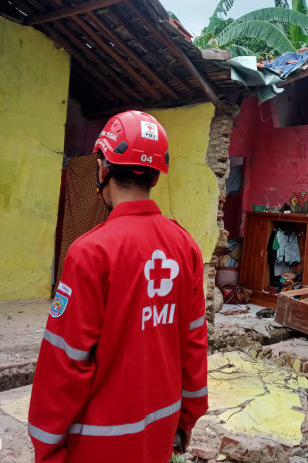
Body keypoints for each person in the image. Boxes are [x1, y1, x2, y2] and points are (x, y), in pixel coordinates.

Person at [27, 111, 208, 462]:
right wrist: (186, 420)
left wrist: (47, 447)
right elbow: (194, 344)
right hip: (159, 437)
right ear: (155, 176)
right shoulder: (186, 248)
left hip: (96, 446)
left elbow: (64, 361)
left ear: (103, 168)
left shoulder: (90, 252)